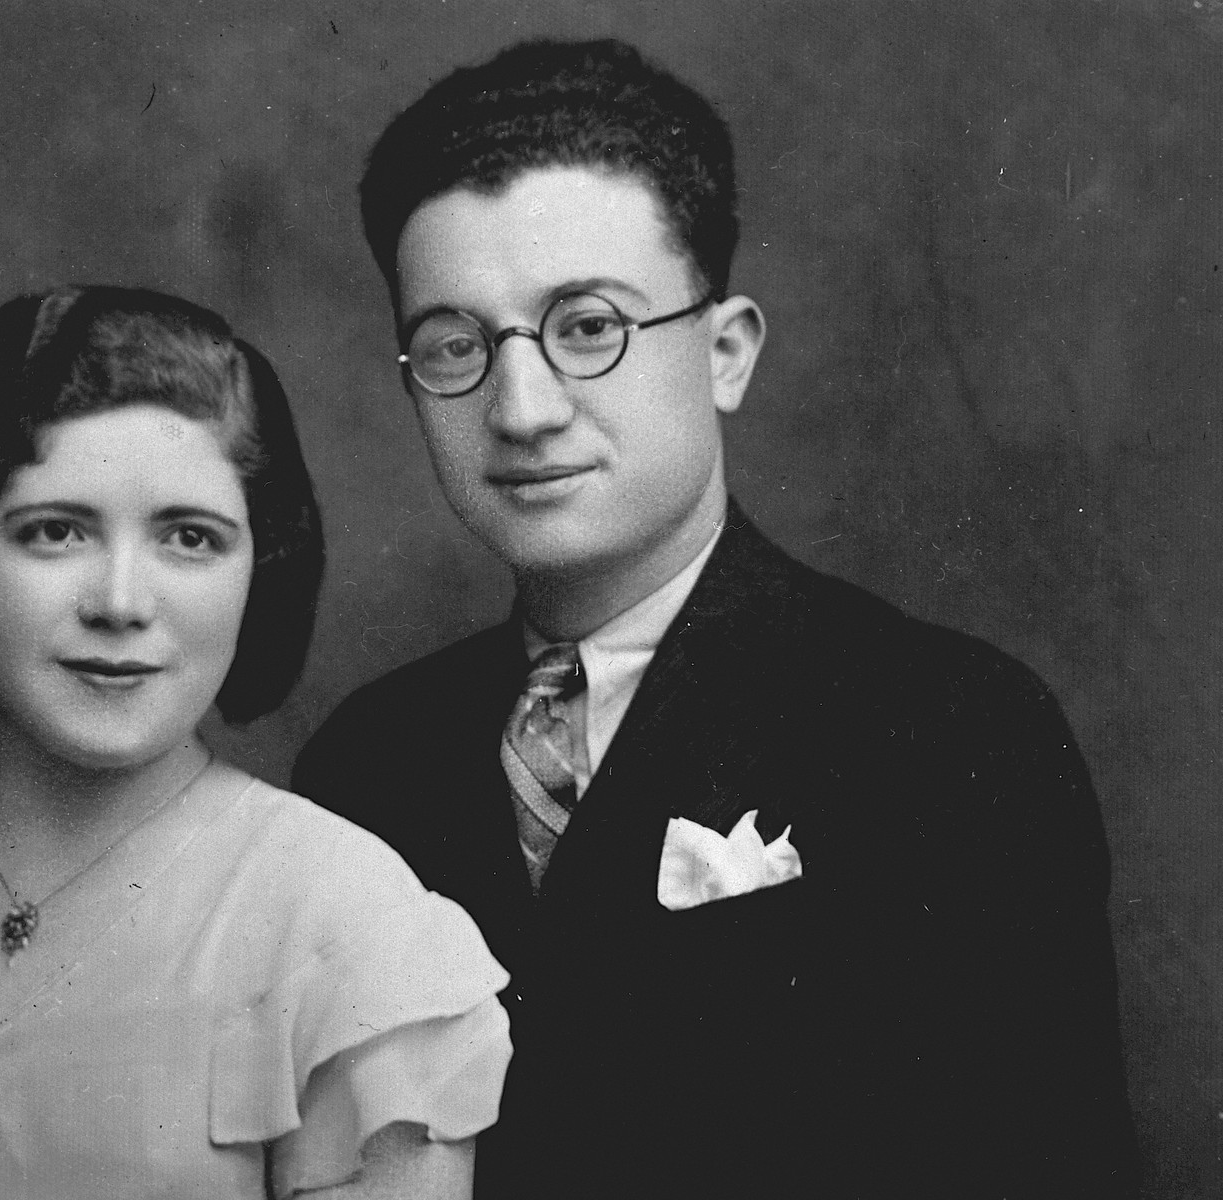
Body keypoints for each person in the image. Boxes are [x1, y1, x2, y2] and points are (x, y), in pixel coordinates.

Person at [293, 38, 1139, 1199]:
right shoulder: (366, 766)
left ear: (726, 352)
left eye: (588, 326)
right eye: (456, 346)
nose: (522, 407)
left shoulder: (949, 728)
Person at [0, 286, 511, 1199]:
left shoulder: (354, 938)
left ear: (258, 571)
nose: (120, 601)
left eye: (189, 539)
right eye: (55, 531)